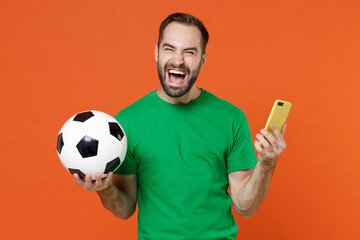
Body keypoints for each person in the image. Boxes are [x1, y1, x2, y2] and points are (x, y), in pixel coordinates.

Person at [74, 12, 287, 240]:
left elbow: (246, 207)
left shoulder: (231, 118)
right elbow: (125, 209)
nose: (178, 60)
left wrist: (266, 163)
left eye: (189, 52)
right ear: (156, 52)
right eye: (169, 49)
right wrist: (105, 189)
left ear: (203, 59)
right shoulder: (125, 124)